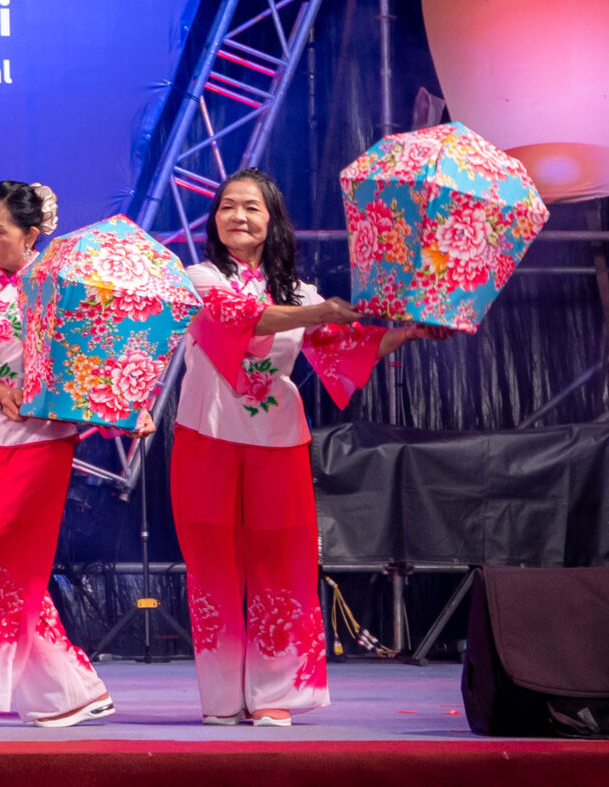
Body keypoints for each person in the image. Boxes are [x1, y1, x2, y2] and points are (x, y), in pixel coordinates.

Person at [175, 167, 443, 727]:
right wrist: (322, 311)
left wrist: (409, 332)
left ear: (272, 221)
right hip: (205, 435)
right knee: (212, 566)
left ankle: (273, 692)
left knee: (280, 561)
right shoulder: (198, 277)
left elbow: (346, 347)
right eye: (226, 206)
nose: (237, 216)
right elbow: (245, 321)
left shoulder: (299, 292)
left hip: (276, 441)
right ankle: (222, 698)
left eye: (251, 207)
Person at [0, 180, 123, 730]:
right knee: (4, 566)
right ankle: (70, 689)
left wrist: (121, 407)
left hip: (40, 443)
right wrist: (2, 393)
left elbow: (87, 362)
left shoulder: (62, 284)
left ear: (31, 235)